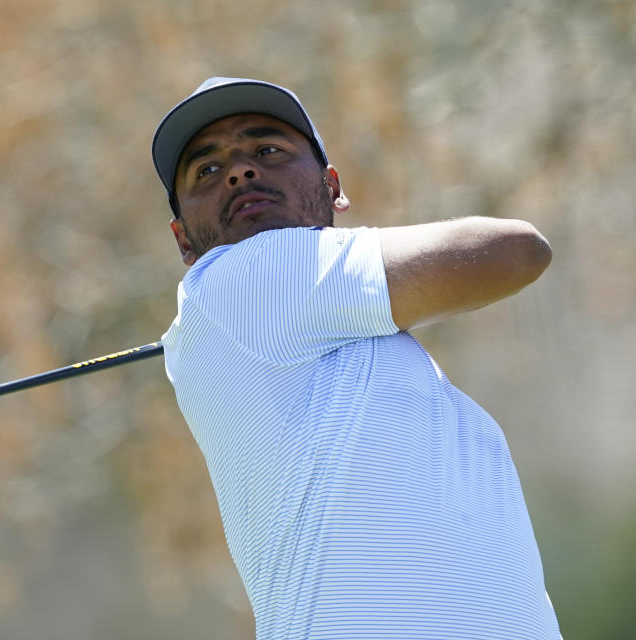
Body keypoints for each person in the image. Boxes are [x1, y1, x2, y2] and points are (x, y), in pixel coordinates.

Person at [151, 77, 561, 639]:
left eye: (267, 150)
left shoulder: (335, 336)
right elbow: (515, 251)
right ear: (184, 242)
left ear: (332, 185)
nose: (240, 172)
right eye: (207, 170)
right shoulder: (242, 276)